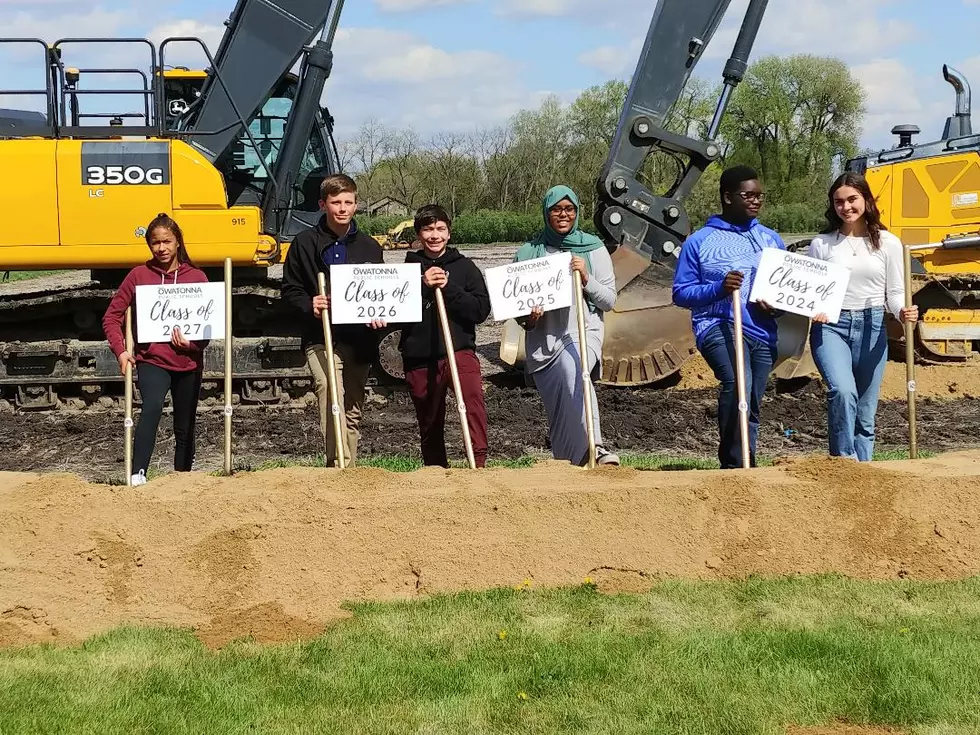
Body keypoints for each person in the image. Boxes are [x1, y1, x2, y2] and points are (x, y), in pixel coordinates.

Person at [672, 165, 786, 469]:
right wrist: (719, 288)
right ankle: (734, 465)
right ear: (727, 196)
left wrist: (776, 308)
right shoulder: (699, 241)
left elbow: (784, 292)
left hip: (762, 331)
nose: (755, 201)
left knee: (752, 400)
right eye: (747, 195)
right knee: (737, 384)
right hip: (717, 325)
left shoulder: (771, 240)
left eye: (759, 196)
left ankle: (747, 460)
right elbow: (681, 293)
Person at [808, 171, 918, 461]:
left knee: (866, 411)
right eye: (838, 201)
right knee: (843, 392)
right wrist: (814, 309)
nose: (846, 207)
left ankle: (865, 470)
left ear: (866, 200)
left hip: (872, 325)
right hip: (831, 326)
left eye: (852, 199)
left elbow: (894, 292)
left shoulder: (888, 243)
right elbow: (812, 292)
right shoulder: (821, 244)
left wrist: (902, 310)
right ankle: (844, 464)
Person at [280, 173, 386, 467]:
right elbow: (289, 289)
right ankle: (337, 464)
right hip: (321, 336)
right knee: (329, 391)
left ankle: (348, 467)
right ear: (323, 204)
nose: (342, 208)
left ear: (356, 204)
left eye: (348, 202)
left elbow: (379, 292)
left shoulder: (370, 247)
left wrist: (380, 314)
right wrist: (308, 302)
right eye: (335, 202)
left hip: (359, 339)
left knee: (352, 405)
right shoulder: (303, 244)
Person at [102, 213, 209, 486]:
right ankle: (138, 472)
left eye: (166, 242)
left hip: (188, 362)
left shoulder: (196, 277)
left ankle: (182, 476)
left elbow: (209, 326)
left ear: (177, 243)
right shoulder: (139, 275)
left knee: (185, 422)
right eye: (155, 243)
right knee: (151, 408)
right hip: (152, 359)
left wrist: (193, 344)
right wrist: (121, 350)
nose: (161, 248)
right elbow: (111, 316)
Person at [516, 185, 620, 466]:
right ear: (546, 213)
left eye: (569, 209)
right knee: (559, 410)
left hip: (583, 331)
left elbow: (609, 300)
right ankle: (568, 462)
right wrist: (529, 317)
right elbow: (518, 309)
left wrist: (586, 278)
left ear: (577, 212)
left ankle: (595, 447)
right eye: (556, 209)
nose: (563, 215)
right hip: (543, 340)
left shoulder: (593, 249)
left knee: (577, 373)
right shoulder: (528, 253)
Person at [398, 204, 491, 468]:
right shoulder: (407, 270)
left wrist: (449, 288)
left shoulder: (465, 268)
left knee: (472, 403)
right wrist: (422, 285)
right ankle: (436, 470)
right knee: (429, 418)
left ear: (449, 233)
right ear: (419, 234)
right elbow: (396, 313)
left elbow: (480, 310)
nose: (435, 235)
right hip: (419, 356)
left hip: (459, 351)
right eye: (428, 229)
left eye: (440, 229)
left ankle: (479, 463)